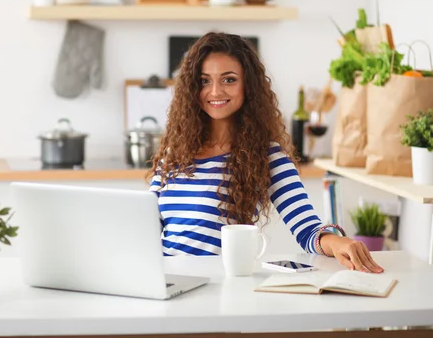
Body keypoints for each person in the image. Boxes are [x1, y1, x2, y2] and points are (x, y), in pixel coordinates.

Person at [146, 31, 383, 274]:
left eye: (229, 80)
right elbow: (145, 226)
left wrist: (339, 242)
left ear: (248, 86)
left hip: (215, 288)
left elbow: (306, 229)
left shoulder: (266, 156)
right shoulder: (174, 155)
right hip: (165, 282)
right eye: (205, 81)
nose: (215, 91)